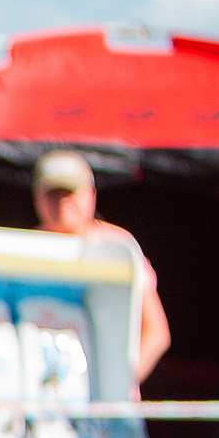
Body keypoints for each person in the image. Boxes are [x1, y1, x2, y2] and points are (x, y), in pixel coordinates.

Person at [33, 150, 170, 389]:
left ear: (91, 195)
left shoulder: (118, 246)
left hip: (107, 407)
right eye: (54, 193)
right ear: (38, 198)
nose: (63, 200)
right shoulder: (22, 249)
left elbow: (157, 332)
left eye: (71, 191)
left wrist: (117, 383)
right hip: (49, 399)